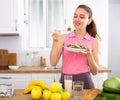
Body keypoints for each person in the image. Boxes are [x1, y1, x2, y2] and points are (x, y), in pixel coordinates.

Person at [50, 4, 101, 89]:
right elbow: (53, 62)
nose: (77, 19)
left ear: (89, 20)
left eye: (81, 17)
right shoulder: (63, 38)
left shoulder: (94, 41)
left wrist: (89, 54)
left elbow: (95, 71)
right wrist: (55, 41)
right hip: (65, 80)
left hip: (85, 81)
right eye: (75, 16)